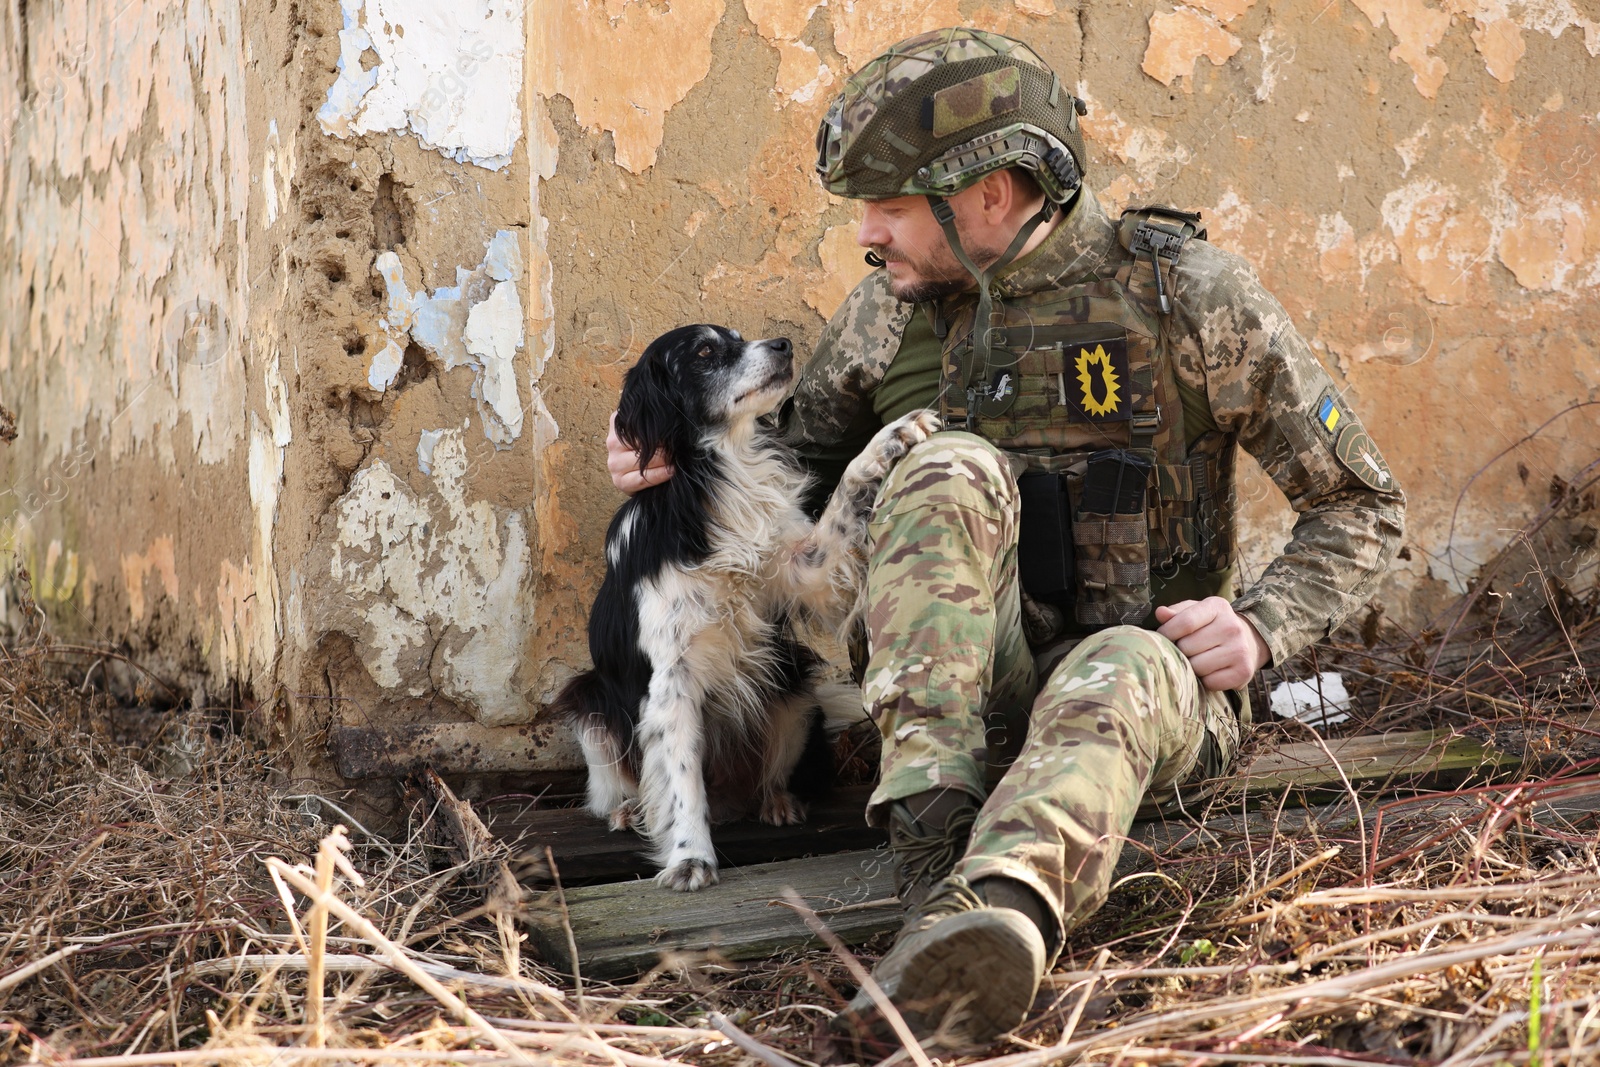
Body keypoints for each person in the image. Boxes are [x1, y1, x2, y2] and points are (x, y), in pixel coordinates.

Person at [607, 27, 1405, 1055]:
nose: (866, 234)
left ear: (991, 192)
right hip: (957, 707)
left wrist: (1256, 627)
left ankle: (986, 923)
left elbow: (1360, 503)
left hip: (1138, 688)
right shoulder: (887, 318)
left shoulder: (1187, 297)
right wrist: (670, 458)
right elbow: (789, 484)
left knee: (1120, 662)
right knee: (944, 467)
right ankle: (929, 848)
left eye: (888, 205)